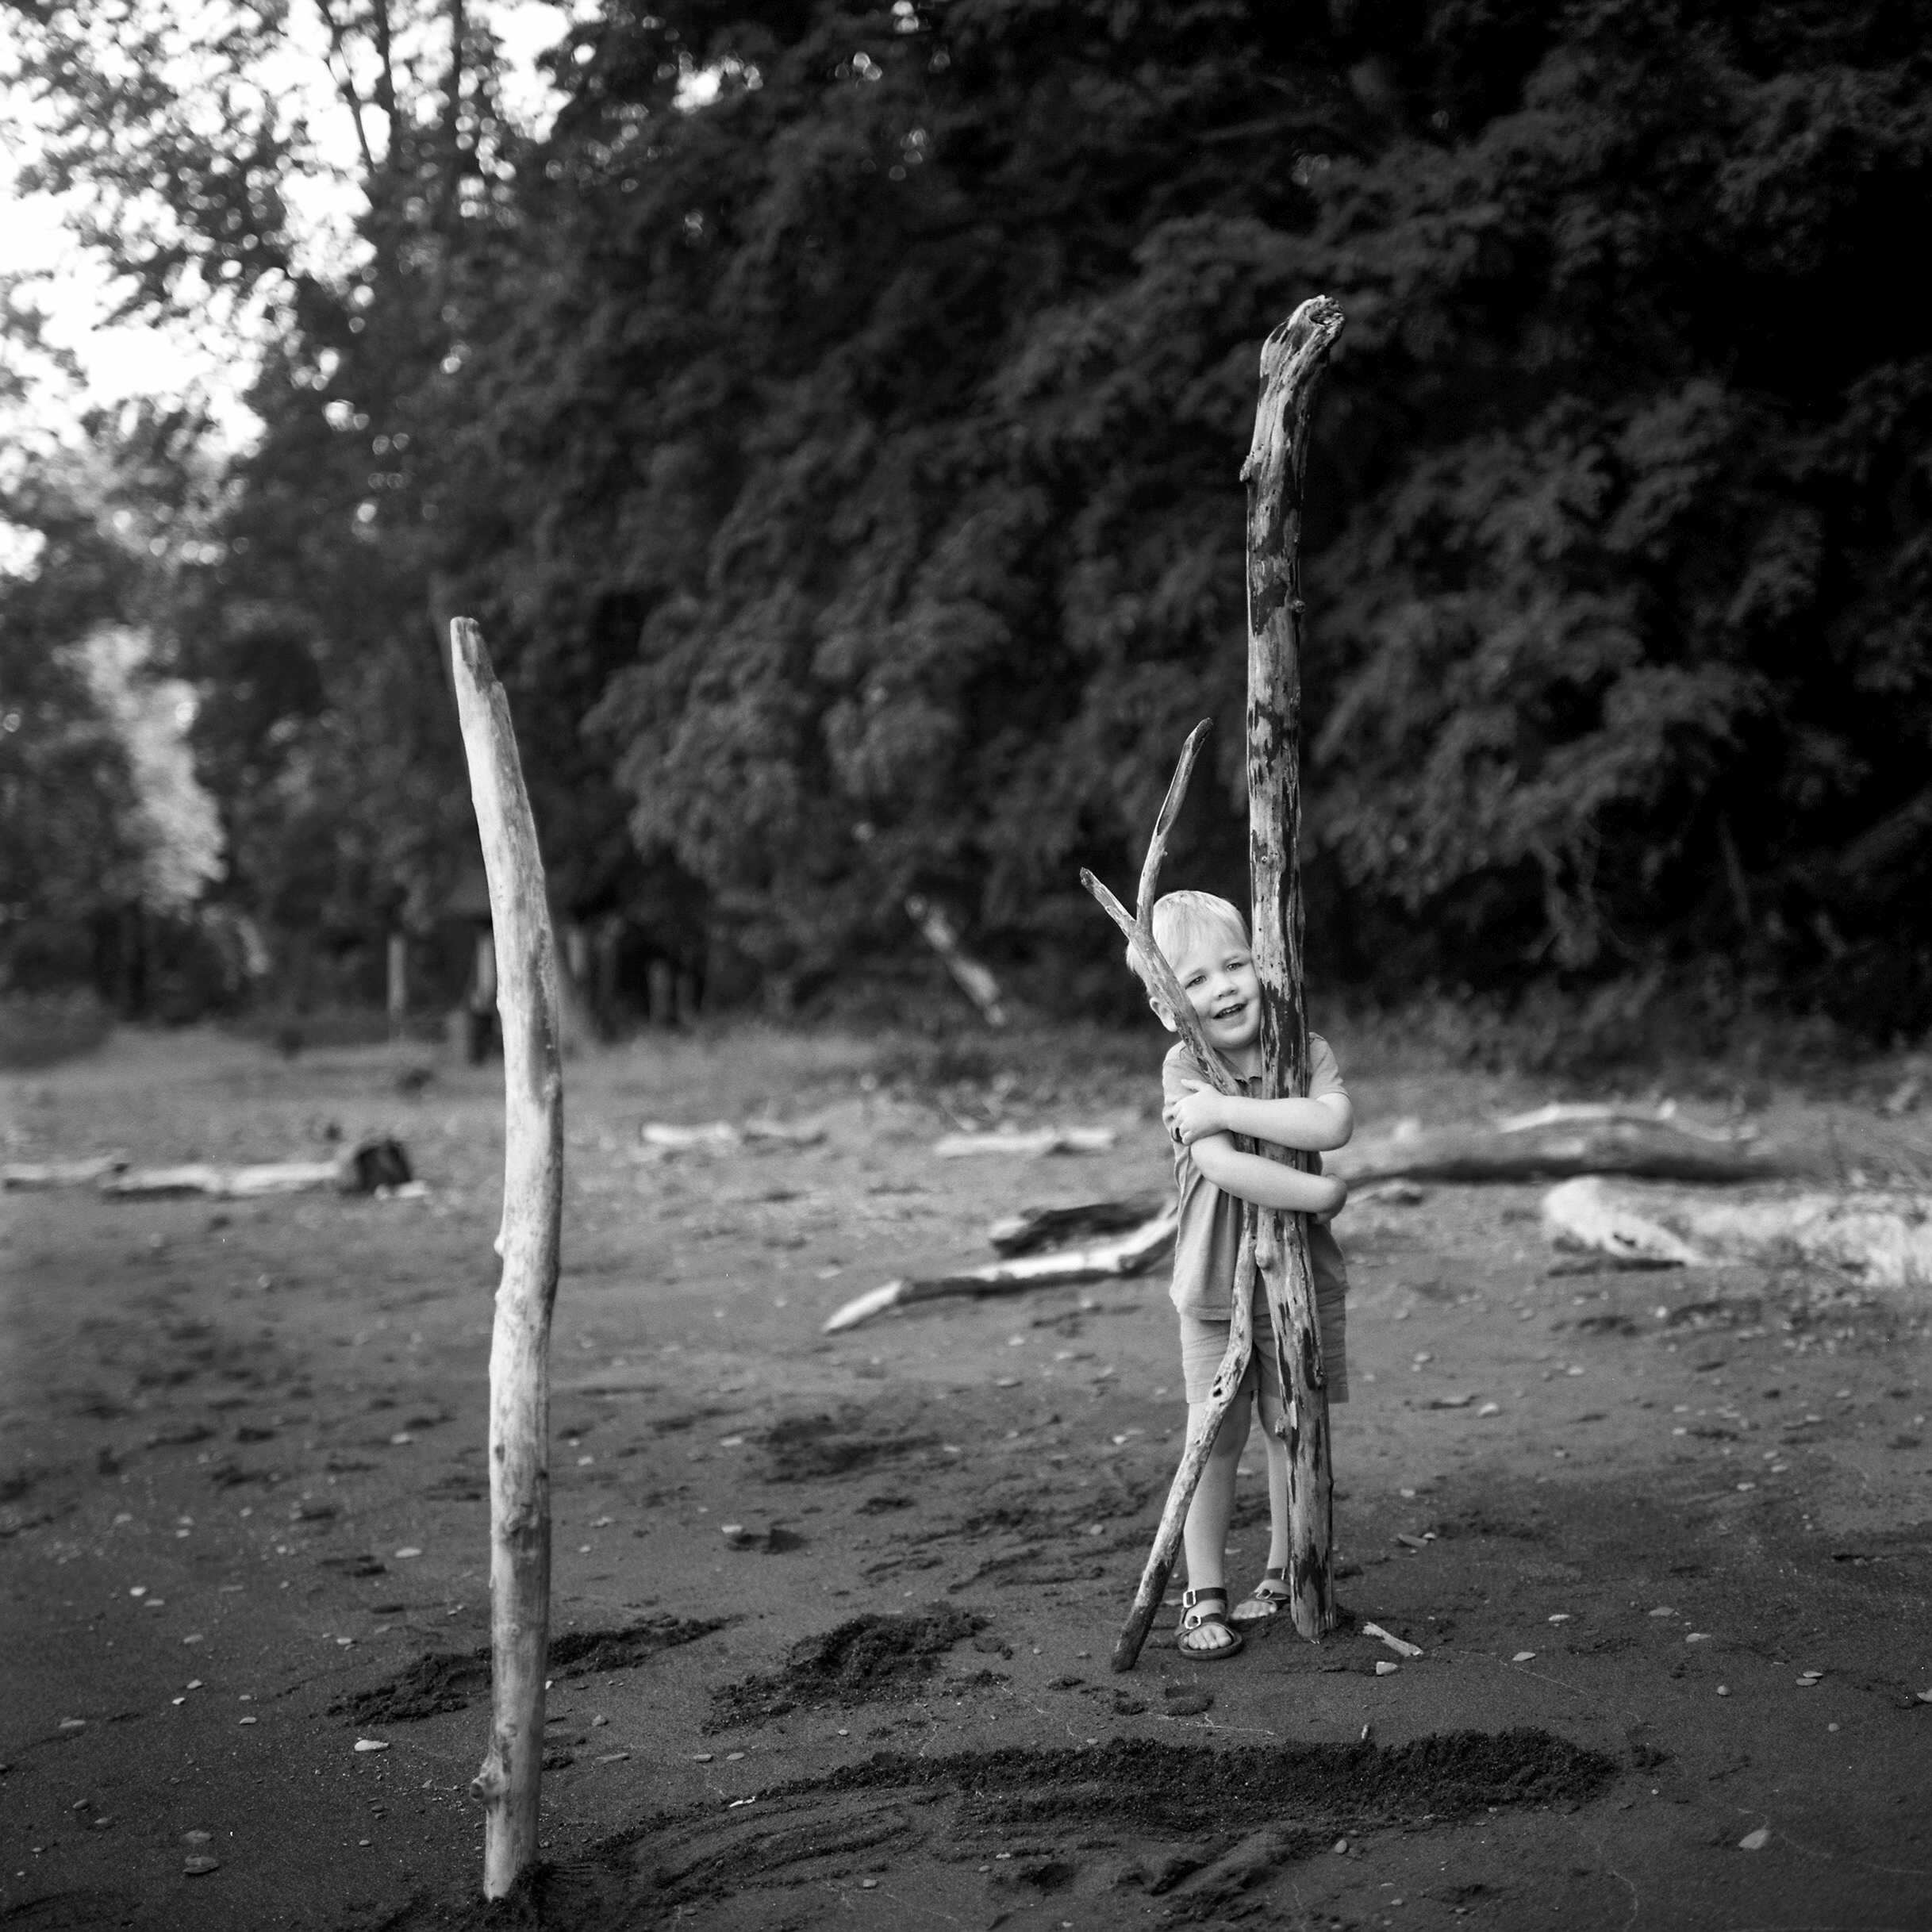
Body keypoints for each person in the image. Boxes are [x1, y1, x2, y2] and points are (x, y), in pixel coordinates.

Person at [1131, 890, 1354, 1659]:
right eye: (1195, 980)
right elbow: (1223, 1170)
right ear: (1167, 1006)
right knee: (1215, 1432)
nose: (1223, 987)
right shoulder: (1182, 1064)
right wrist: (1322, 1191)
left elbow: (1330, 1122)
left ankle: (1286, 1568)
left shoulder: (1301, 1046)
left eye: (1235, 965)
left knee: (1292, 1423)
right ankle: (1202, 1593)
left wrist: (1228, 1111)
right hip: (1212, 1277)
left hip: (1297, 1270)